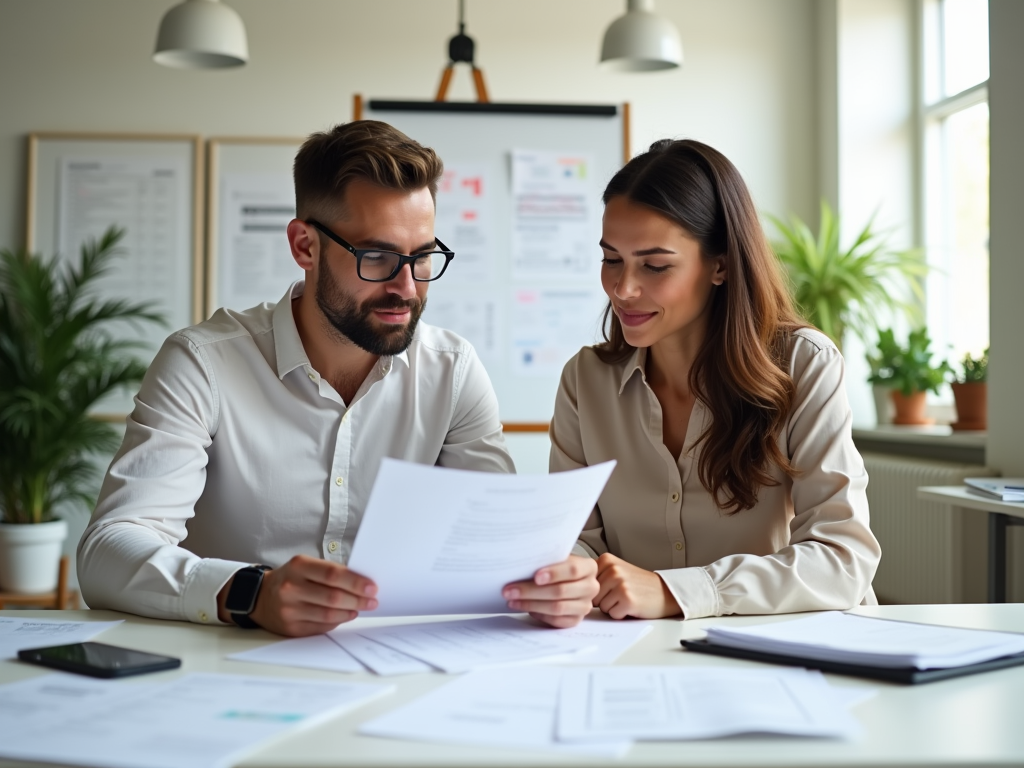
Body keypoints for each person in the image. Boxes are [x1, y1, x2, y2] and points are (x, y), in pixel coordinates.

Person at [79, 121, 599, 635]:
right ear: (305, 246)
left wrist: (554, 581)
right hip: (235, 668)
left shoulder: (453, 370)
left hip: (400, 670)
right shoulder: (202, 364)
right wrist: (250, 592)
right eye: (377, 256)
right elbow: (108, 550)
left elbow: (496, 547)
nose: (407, 288)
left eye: (422, 258)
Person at [550, 139, 881, 621]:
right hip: (633, 650)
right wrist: (566, 579)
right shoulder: (586, 380)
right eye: (611, 259)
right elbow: (577, 539)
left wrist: (675, 591)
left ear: (720, 265)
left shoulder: (803, 364)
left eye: (655, 265)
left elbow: (843, 560)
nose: (623, 289)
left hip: (784, 651)